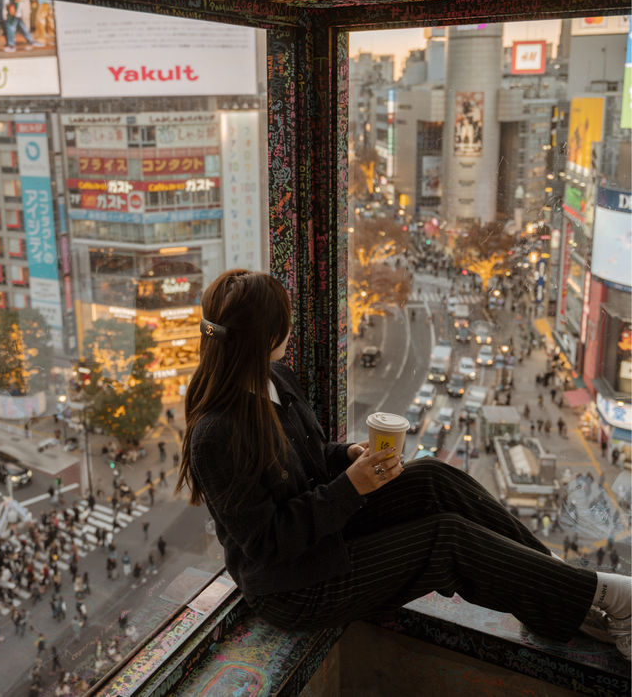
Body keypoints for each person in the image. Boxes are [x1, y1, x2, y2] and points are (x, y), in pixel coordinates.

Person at [176, 269, 632, 661]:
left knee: (432, 476)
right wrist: (349, 488)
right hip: (294, 588)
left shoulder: (275, 379)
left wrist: (347, 456)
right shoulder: (217, 433)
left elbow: (309, 461)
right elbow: (267, 543)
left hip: (325, 541)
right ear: (266, 337)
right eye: (284, 321)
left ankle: (561, 587)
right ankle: (611, 596)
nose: (290, 329)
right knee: (447, 540)